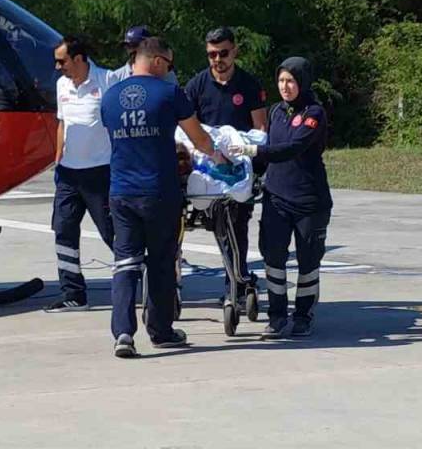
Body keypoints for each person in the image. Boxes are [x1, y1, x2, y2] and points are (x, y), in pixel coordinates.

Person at [101, 37, 223, 358]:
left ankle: (123, 333)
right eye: (169, 65)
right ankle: (161, 330)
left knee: (125, 262)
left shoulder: (111, 97)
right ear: (156, 61)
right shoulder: (169, 93)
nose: (170, 71)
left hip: (121, 191)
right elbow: (197, 137)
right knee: (160, 262)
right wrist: (220, 157)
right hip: (159, 191)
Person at [230, 57, 331, 338]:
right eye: (281, 81)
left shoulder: (314, 113)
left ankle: (303, 314)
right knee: (273, 256)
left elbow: (291, 148)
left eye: (291, 81)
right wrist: (242, 173)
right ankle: (276, 315)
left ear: (302, 82)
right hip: (276, 197)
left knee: (308, 261)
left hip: (309, 201)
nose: (285, 87)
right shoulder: (276, 112)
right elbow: (270, 152)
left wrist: (252, 151)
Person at [184, 26, 268, 311]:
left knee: (236, 226)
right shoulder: (196, 85)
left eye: (223, 53)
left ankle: (237, 284)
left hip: (236, 161)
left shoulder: (248, 85)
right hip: (206, 163)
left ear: (235, 51)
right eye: (211, 54)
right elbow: (187, 127)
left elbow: (259, 130)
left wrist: (242, 156)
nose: (217, 59)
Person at [46, 35, 119, 312]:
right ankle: (73, 293)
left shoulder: (106, 80)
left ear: (79, 59)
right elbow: (62, 124)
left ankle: (142, 276)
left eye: (61, 61)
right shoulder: (62, 84)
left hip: (100, 173)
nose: (57, 67)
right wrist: (57, 159)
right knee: (63, 231)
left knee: (111, 231)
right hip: (68, 174)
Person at [112, 26, 178, 85]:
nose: (130, 50)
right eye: (127, 46)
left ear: (148, 45)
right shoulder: (117, 76)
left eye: (134, 45)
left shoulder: (167, 74)